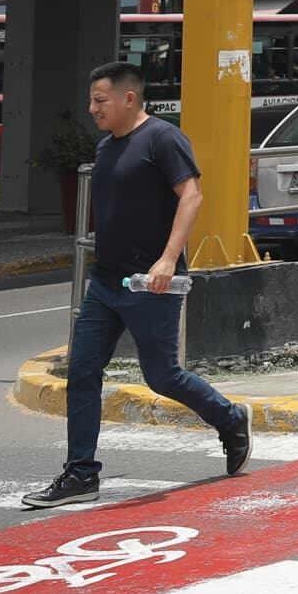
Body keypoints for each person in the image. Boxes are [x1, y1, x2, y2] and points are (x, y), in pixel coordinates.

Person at [22, 60, 248, 508]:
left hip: (151, 283)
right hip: (106, 283)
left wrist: (168, 260)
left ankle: (230, 418)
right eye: (91, 100)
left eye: (100, 100)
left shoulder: (163, 139)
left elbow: (192, 195)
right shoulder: (107, 148)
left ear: (129, 98)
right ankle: (81, 473)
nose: (92, 109)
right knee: (83, 371)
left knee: (162, 376)